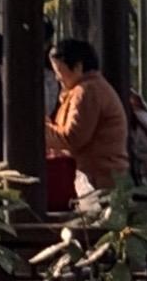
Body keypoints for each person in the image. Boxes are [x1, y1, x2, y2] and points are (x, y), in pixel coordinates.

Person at [45, 38, 130, 206]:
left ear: (77, 67)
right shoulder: (90, 88)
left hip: (98, 181)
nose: (57, 77)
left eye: (59, 71)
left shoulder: (86, 91)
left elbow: (73, 138)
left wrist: (41, 128)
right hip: (102, 177)